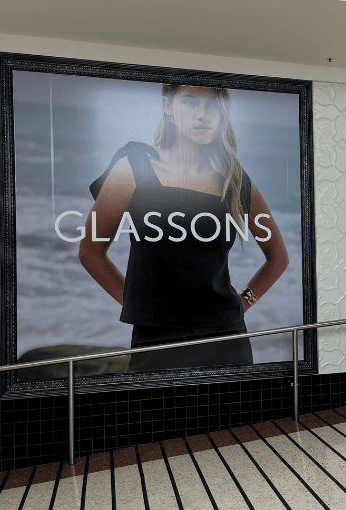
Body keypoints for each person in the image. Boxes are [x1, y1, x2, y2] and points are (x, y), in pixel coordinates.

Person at [79, 84, 289, 370]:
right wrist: (137, 305)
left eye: (211, 104)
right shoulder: (133, 168)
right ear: (168, 106)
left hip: (227, 340)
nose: (202, 114)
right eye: (189, 102)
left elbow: (278, 258)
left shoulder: (233, 178)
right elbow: (90, 253)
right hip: (156, 341)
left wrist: (243, 303)